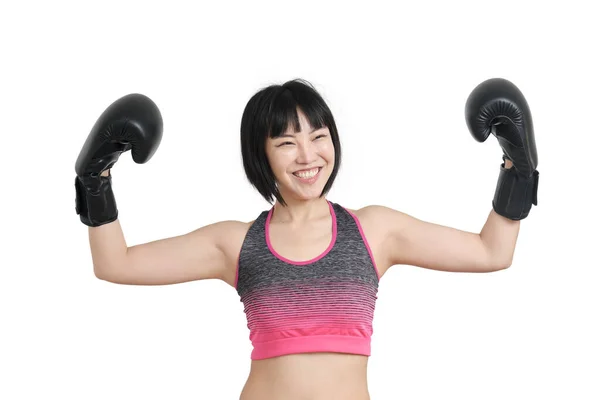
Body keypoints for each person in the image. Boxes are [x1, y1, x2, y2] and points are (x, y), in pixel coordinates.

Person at [74, 78, 539, 400]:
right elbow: (116, 264)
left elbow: (491, 252)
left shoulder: (374, 231)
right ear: (263, 157)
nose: (308, 155)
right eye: (286, 143)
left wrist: (519, 167)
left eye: (318, 136)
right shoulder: (236, 243)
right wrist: (95, 178)